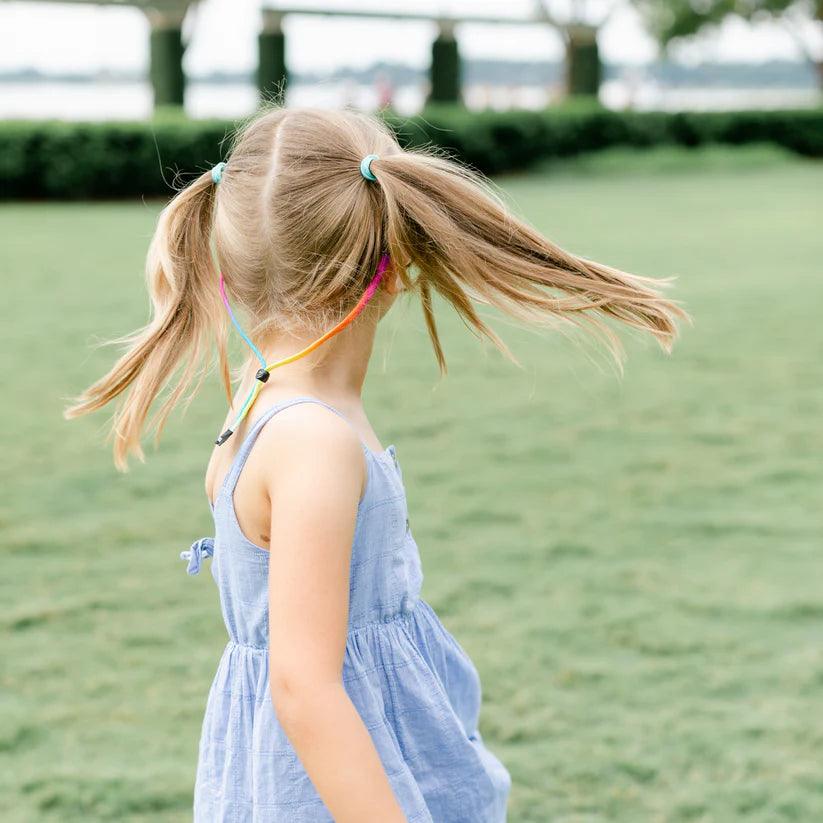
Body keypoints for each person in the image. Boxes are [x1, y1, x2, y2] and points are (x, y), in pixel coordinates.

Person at [65, 107, 685, 822]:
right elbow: (302, 685)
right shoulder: (312, 441)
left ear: (227, 269)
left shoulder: (265, 393)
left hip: (355, 761)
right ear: (396, 266)